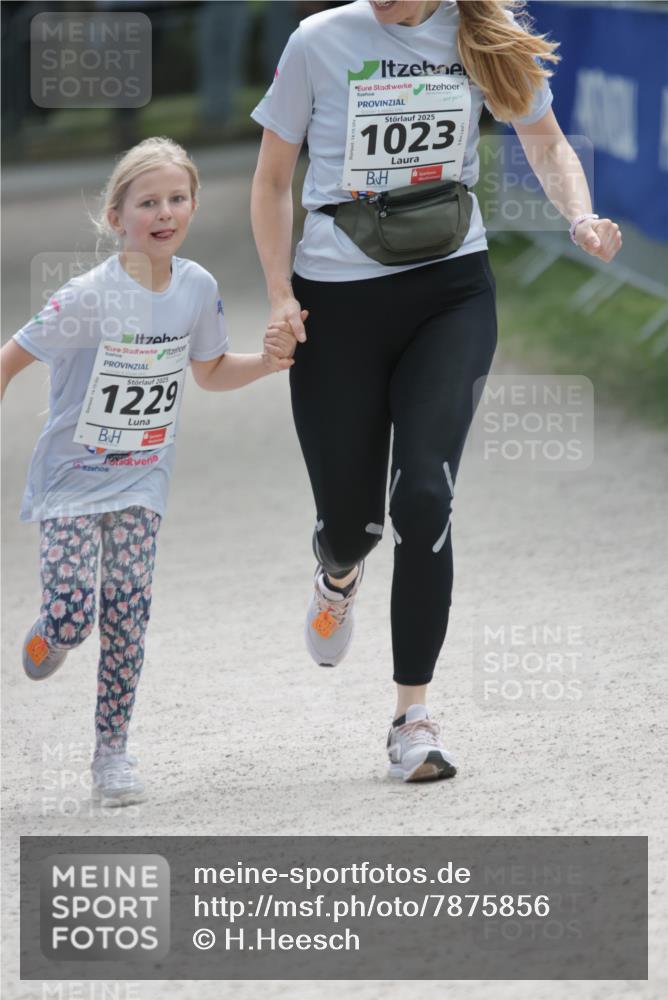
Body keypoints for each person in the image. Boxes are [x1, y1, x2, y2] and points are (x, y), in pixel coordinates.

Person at [251, 0, 622, 782]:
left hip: (451, 291)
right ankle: (337, 572)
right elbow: (274, 179)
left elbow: (546, 140)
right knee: (352, 525)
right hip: (336, 302)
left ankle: (411, 716)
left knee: (423, 494)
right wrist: (280, 294)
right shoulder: (320, 40)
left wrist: (581, 217)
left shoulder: (478, 34)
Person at [0, 136, 297, 807]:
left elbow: (212, 372)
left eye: (177, 198)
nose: (165, 212)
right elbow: (10, 360)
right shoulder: (87, 296)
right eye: (148, 202)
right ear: (116, 217)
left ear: (192, 204)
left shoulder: (197, 290)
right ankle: (53, 631)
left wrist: (270, 362)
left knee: (128, 613)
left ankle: (112, 754)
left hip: (141, 482)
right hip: (71, 482)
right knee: (76, 615)